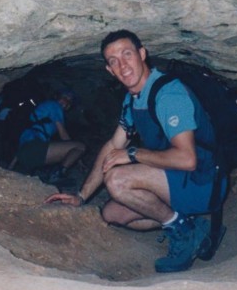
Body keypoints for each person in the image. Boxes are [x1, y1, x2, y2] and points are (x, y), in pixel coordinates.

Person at [45, 30, 223, 273]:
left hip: (204, 180)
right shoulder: (133, 100)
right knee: (111, 213)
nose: (122, 65)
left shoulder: (168, 94)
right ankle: (187, 222)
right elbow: (112, 146)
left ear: (142, 54)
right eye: (113, 61)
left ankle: (180, 228)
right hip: (175, 179)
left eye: (127, 54)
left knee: (117, 180)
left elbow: (187, 158)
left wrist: (132, 154)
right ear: (109, 70)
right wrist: (82, 196)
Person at [12, 89, 85, 184]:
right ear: (57, 97)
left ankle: (50, 174)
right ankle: (56, 175)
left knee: (63, 151)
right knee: (80, 146)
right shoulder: (54, 106)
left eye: (69, 100)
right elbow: (63, 135)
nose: (66, 101)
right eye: (64, 97)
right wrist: (78, 158)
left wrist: (10, 167)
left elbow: (22, 146)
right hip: (33, 149)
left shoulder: (44, 111)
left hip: (26, 154)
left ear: (69, 107)